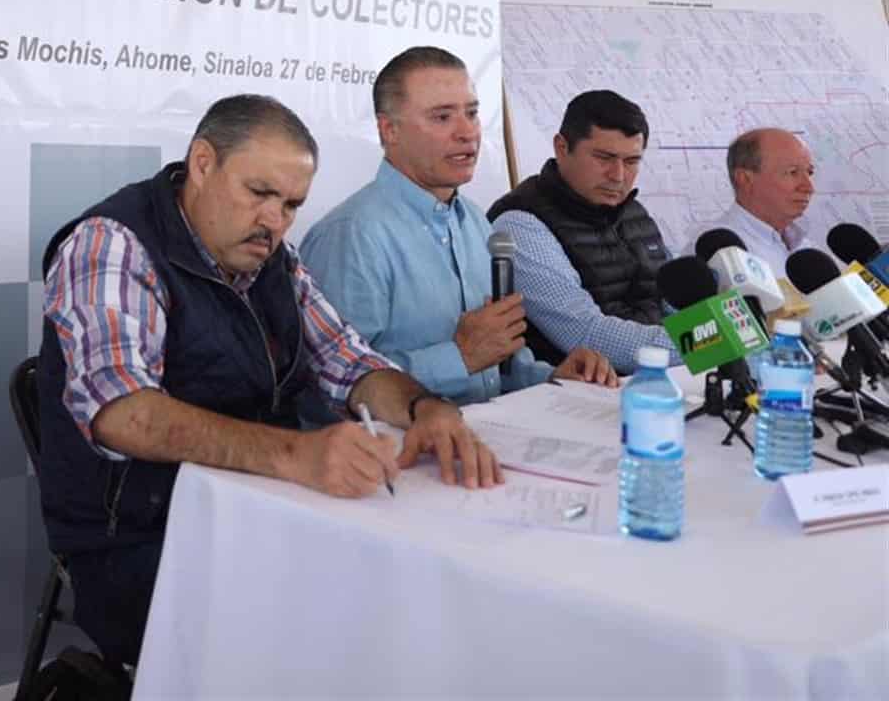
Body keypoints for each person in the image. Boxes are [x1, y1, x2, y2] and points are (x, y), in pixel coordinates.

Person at [36, 93, 502, 667]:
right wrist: (296, 455)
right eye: (259, 194)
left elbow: (347, 362)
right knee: (332, 644)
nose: (274, 222)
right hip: (143, 539)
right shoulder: (113, 243)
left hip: (261, 513)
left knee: (416, 609)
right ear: (203, 163)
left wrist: (425, 409)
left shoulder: (271, 259)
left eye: (290, 205)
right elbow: (124, 412)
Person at [303, 47, 616, 404]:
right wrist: (458, 358)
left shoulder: (475, 222)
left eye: (471, 113)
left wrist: (554, 377)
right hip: (400, 452)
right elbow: (326, 389)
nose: (467, 132)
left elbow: (498, 369)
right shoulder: (353, 236)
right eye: (442, 118)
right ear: (389, 130)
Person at [487, 90, 677, 371]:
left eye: (631, 161)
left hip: (655, 382)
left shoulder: (634, 213)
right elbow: (586, 334)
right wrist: (706, 345)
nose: (618, 176)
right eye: (604, 158)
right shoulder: (520, 223)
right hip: (568, 398)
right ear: (562, 148)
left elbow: (676, 303)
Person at [701, 128, 820, 276]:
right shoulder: (717, 253)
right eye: (792, 172)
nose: (808, 187)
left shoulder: (807, 249)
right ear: (745, 179)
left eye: (809, 172)